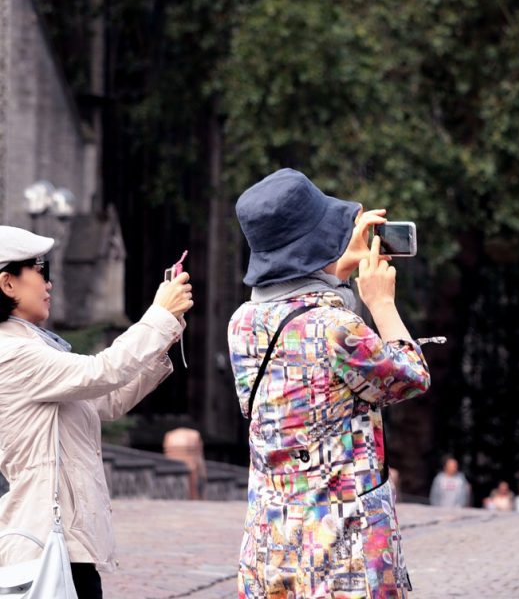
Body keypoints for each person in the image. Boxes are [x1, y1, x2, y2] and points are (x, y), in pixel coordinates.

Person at [228, 169, 431, 598]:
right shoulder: (337, 328)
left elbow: (297, 311)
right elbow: (412, 378)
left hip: (271, 545)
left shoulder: (241, 323)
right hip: (342, 552)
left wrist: (333, 269)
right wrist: (381, 302)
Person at [0, 225, 193, 598]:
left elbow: (107, 400)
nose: (49, 283)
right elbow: (101, 371)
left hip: (67, 542)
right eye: (40, 270)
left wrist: (164, 336)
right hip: (44, 541)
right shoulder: (12, 352)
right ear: (8, 284)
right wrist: (158, 316)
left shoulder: (36, 346)